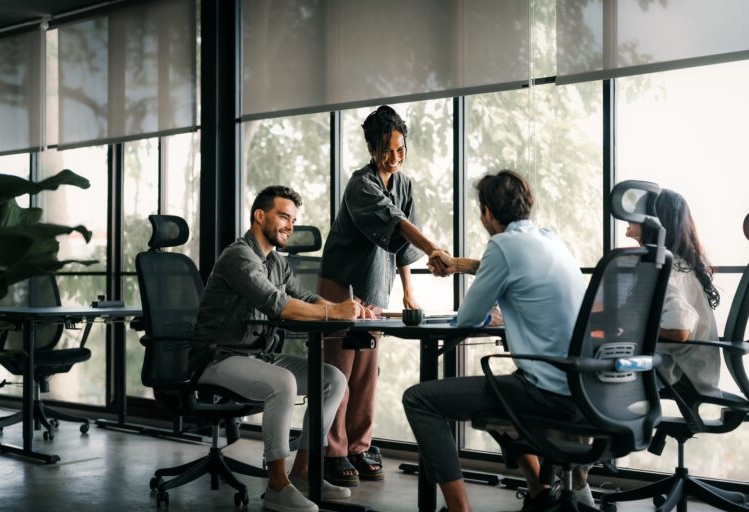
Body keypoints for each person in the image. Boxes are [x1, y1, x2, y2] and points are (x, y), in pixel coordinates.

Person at [403, 170, 587, 512]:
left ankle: (460, 509)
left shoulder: (503, 245)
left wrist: (486, 306)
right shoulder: (550, 239)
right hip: (583, 386)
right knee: (498, 397)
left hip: (546, 391)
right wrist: (462, 266)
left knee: (419, 400)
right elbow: (520, 277)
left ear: (487, 211)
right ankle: (539, 490)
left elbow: (468, 317)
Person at [191, 185, 374, 512]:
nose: (291, 225)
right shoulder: (239, 256)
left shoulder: (275, 261)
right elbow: (279, 304)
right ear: (260, 216)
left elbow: (302, 297)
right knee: (283, 383)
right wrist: (336, 312)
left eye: (293, 218)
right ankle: (277, 486)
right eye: (284, 216)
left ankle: (303, 474)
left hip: (257, 354)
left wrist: (347, 307)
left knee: (332, 378)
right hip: (219, 357)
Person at [318, 105, 447, 486]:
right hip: (341, 283)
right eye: (387, 150)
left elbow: (402, 244)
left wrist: (409, 290)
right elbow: (395, 223)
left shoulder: (406, 185)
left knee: (367, 373)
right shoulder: (361, 184)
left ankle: (359, 446)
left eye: (401, 149)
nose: (395, 157)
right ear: (372, 149)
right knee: (339, 373)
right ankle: (333, 450)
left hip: (376, 285)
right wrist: (436, 249)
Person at [626, 188, 721, 397]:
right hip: (684, 367)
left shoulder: (669, 268)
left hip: (680, 373)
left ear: (655, 221)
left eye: (637, 210)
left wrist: (628, 326)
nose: (630, 214)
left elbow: (679, 330)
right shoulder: (675, 262)